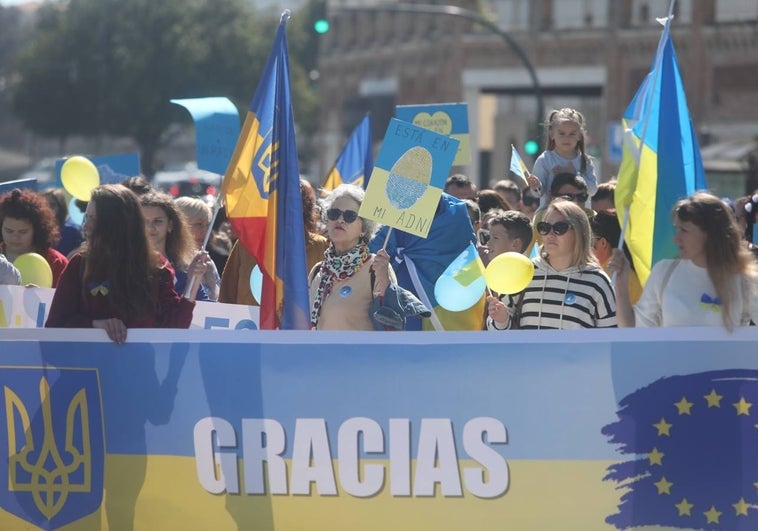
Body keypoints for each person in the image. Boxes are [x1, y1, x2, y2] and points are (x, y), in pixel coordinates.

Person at [45, 184, 199, 343]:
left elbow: (172, 328)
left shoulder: (157, 267)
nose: (86, 226)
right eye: (87, 218)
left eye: (95, 219)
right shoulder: (80, 264)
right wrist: (95, 325)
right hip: (91, 366)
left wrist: (193, 283)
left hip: (138, 366)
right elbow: (55, 324)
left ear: (119, 224)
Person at [610, 192, 758, 329]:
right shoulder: (664, 272)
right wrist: (621, 287)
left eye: (684, 230)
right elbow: (633, 332)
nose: (676, 238)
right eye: (677, 229)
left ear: (710, 234)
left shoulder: (745, 280)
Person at [486, 200, 616, 330]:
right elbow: (495, 330)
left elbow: (611, 337)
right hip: (527, 351)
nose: (550, 235)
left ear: (579, 232)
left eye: (560, 228)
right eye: (545, 228)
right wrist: (501, 320)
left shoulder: (598, 282)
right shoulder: (523, 270)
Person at [220, 179, 329, 305]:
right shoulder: (246, 245)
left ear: (304, 208)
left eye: (291, 203)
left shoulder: (321, 247)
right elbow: (226, 298)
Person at [310, 184, 393, 330]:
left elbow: (392, 319)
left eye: (349, 216)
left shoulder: (375, 268)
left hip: (361, 353)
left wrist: (385, 281)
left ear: (364, 229)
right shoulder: (318, 271)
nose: (340, 220)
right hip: (320, 353)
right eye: (334, 214)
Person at [139, 191, 211, 301]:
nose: (150, 227)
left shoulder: (184, 273)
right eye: (144, 221)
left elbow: (207, 311)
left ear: (170, 225)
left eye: (157, 221)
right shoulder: (123, 267)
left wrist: (194, 282)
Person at [527, 108, 598, 209]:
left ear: (579, 136)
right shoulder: (545, 159)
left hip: (580, 215)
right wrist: (535, 186)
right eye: (562, 133)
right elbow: (538, 193)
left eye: (572, 134)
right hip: (550, 214)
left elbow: (593, 190)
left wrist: (574, 174)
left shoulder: (585, 161)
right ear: (552, 134)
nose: (566, 138)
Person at [0, 188, 68, 287]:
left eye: (23, 232)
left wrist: (39, 296)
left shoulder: (56, 262)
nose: (15, 237)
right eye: (9, 231)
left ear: (37, 230)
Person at [589, 210, 641, 304]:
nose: (584, 246)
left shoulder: (612, 274)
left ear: (603, 243)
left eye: (588, 240)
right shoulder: (616, 269)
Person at [175, 196, 220, 301]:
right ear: (181, 225)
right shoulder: (169, 262)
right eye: (199, 224)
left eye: (207, 225)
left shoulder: (207, 261)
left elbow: (220, 305)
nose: (205, 231)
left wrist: (213, 284)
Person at [40, 188, 83, 257]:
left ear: (60, 207)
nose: (48, 209)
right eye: (44, 205)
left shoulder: (71, 230)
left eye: (52, 205)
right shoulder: (36, 230)